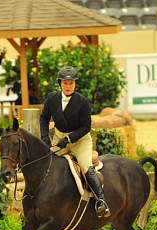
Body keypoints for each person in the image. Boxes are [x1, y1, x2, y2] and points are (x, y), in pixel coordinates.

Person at [40, 65, 110, 217]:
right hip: (59, 138)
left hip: (80, 141)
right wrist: (45, 136)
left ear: (75, 84)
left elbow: (86, 127)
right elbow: (44, 117)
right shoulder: (52, 98)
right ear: (60, 84)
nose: (68, 86)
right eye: (65, 83)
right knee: (47, 165)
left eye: (71, 83)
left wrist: (70, 138)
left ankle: (101, 201)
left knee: (86, 167)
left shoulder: (83, 102)